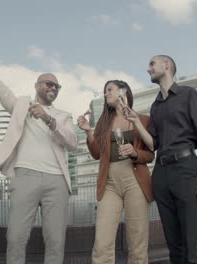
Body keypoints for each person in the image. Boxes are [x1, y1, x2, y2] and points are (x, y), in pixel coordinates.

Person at [0, 38, 77, 264]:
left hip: (57, 180)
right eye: (48, 83)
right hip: (25, 177)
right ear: (37, 86)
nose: (52, 88)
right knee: (16, 237)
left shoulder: (63, 116)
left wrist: (49, 119)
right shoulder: (21, 104)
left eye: (56, 86)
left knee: (55, 240)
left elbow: (72, 143)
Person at [125, 55, 197, 264]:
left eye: (151, 64)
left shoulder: (189, 95)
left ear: (166, 65)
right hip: (162, 174)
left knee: (192, 240)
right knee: (173, 244)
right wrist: (137, 121)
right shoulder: (155, 106)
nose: (148, 69)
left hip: (186, 169)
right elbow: (153, 144)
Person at [77, 80, 154, 264]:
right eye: (104, 91)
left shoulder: (143, 120)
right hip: (109, 183)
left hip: (135, 181)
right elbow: (96, 154)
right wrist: (88, 132)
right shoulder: (104, 122)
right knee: (102, 242)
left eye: (109, 90)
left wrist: (135, 152)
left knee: (137, 242)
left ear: (123, 91)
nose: (105, 94)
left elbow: (150, 154)